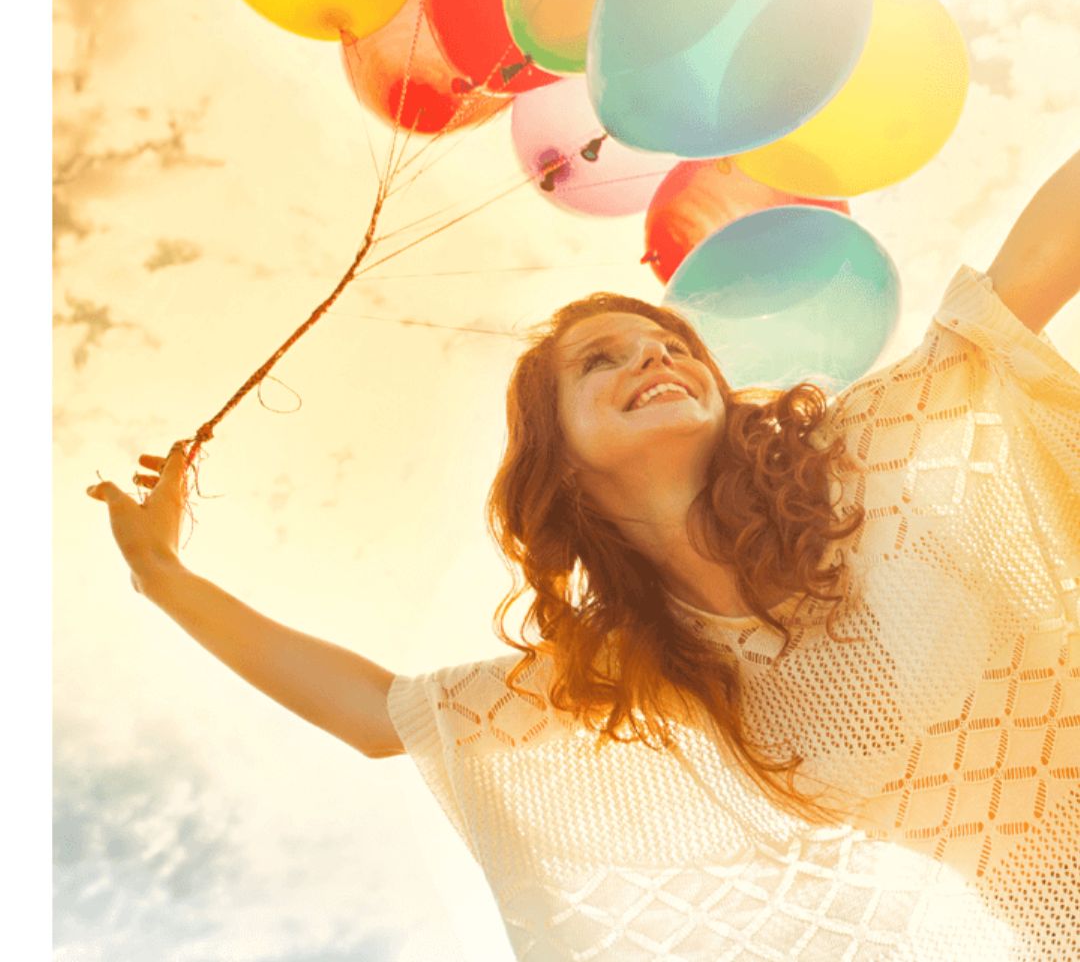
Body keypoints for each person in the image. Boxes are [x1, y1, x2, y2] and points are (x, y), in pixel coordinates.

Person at [88, 152, 1080, 960]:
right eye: (601, 360)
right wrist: (164, 577)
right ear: (558, 463)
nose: (655, 356)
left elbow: (1013, 289)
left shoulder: (857, 458)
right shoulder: (643, 667)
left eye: (669, 344)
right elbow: (376, 715)